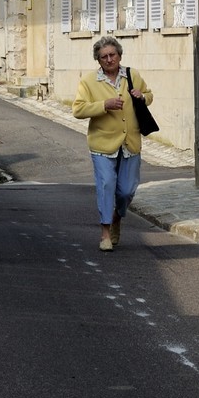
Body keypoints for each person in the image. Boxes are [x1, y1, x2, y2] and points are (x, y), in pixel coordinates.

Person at [72, 35, 154, 251]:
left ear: (119, 55)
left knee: (126, 191)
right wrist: (104, 104)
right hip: (102, 144)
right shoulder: (89, 81)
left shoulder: (131, 75)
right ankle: (105, 233)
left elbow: (149, 95)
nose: (109, 59)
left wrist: (142, 96)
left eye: (112, 55)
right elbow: (78, 109)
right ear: (98, 60)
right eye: (104, 57)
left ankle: (117, 216)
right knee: (107, 185)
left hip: (130, 141)